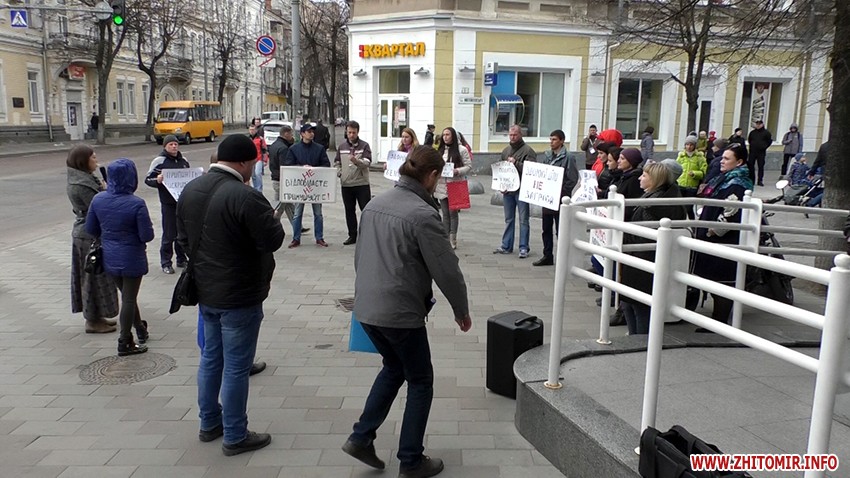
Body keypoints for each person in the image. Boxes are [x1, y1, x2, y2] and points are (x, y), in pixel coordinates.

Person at [342, 145, 472, 478]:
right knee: (421, 380)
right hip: (399, 313)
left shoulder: (374, 204)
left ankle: (361, 437)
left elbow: (360, 257)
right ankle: (411, 460)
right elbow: (447, 269)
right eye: (437, 179)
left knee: (394, 367)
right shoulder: (423, 214)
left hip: (367, 308)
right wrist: (461, 310)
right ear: (432, 176)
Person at [176, 134, 285, 456]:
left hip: (206, 291)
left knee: (211, 358)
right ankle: (235, 434)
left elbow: (182, 240)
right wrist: (273, 220)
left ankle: (209, 422)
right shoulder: (246, 196)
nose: (253, 168)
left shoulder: (191, 189)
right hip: (239, 294)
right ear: (243, 162)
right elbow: (272, 241)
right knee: (236, 367)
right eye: (253, 163)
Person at [86, 158, 155, 356]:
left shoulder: (98, 199)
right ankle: (125, 341)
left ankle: (140, 329)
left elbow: (91, 228)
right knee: (129, 298)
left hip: (109, 255)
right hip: (132, 256)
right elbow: (147, 235)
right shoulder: (136, 204)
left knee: (127, 295)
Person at [619, 163, 687, 335]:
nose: (639, 178)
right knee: (630, 303)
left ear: (655, 179)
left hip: (643, 259)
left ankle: (640, 340)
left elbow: (645, 236)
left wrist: (623, 237)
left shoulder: (653, 204)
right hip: (641, 257)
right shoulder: (659, 198)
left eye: (644, 175)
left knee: (638, 305)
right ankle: (637, 338)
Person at [693, 143, 753, 328]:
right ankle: (716, 319)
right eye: (722, 157)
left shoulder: (738, 183)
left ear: (739, 162)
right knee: (713, 278)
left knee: (722, 280)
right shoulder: (725, 178)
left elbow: (731, 212)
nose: (722, 161)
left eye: (727, 158)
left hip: (722, 238)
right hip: (710, 234)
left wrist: (713, 230)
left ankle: (719, 321)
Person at [67, 145, 118, 334]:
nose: (96, 161)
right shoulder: (81, 185)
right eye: (93, 157)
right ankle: (92, 320)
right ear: (83, 161)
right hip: (87, 235)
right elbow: (98, 208)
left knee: (98, 278)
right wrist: (106, 192)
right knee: (92, 279)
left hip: (89, 232)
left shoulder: (86, 178)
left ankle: (98, 316)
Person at [145, 134, 190, 274]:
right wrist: (157, 180)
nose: (174, 146)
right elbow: (148, 179)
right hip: (168, 203)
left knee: (182, 232)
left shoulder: (184, 161)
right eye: (171, 144)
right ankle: (166, 262)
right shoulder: (159, 161)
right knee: (169, 234)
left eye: (176, 144)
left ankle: (181, 259)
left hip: (182, 202)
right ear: (165, 146)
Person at [533, 130, 579, 267]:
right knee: (546, 229)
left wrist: (561, 192)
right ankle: (547, 255)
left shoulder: (568, 157)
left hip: (560, 199)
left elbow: (572, 179)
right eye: (550, 139)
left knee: (561, 230)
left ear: (561, 141)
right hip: (547, 198)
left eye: (554, 139)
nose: (551, 142)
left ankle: (563, 257)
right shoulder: (548, 156)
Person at [285, 123, 331, 248]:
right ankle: (296, 238)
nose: (311, 133)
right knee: (297, 213)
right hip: (300, 186)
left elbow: (326, 164)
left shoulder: (319, 148)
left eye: (312, 131)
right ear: (302, 134)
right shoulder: (294, 149)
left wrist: (314, 169)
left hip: (315, 186)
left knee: (318, 213)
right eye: (309, 131)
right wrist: (301, 168)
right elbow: (288, 166)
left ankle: (319, 237)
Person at [493, 125, 536, 259]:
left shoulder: (528, 151)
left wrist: (516, 162)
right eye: (510, 135)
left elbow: (531, 170)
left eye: (515, 135)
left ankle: (523, 247)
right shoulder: (506, 150)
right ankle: (506, 245)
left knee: (523, 220)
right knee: (508, 219)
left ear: (520, 135)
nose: (512, 137)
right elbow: (501, 170)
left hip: (522, 189)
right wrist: (501, 185)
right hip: (508, 190)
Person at [334, 120, 373, 246]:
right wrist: (340, 173)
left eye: (354, 133)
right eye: (349, 132)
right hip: (346, 184)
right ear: (346, 132)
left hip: (361, 183)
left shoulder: (364, 146)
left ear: (358, 132)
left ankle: (368, 234)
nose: (351, 135)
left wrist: (356, 161)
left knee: (366, 210)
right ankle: (352, 235)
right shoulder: (342, 147)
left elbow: (367, 162)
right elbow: (336, 162)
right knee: (349, 210)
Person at [434, 127, 472, 250]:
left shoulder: (462, 150)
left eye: (448, 134)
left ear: (453, 136)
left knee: (453, 213)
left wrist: (457, 171)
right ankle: (445, 238)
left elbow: (468, 166)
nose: (445, 137)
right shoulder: (440, 150)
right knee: (445, 213)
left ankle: (452, 238)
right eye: (444, 135)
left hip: (455, 184)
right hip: (441, 184)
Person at [747, 119, 773, 186]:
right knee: (750, 166)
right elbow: (750, 140)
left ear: (762, 124)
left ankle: (760, 180)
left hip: (761, 152)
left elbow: (769, 141)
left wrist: (764, 147)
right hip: (752, 152)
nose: (758, 125)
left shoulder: (766, 133)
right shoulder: (752, 133)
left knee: (760, 166)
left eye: (759, 124)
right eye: (757, 124)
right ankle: (751, 179)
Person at [248, 125, 268, 192]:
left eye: (253, 130)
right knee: (253, 175)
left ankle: (259, 189)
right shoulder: (248, 139)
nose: (252, 131)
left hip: (258, 159)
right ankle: (255, 188)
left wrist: (265, 160)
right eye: (250, 130)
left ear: (256, 130)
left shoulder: (260, 139)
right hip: (250, 159)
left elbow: (264, 149)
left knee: (258, 173)